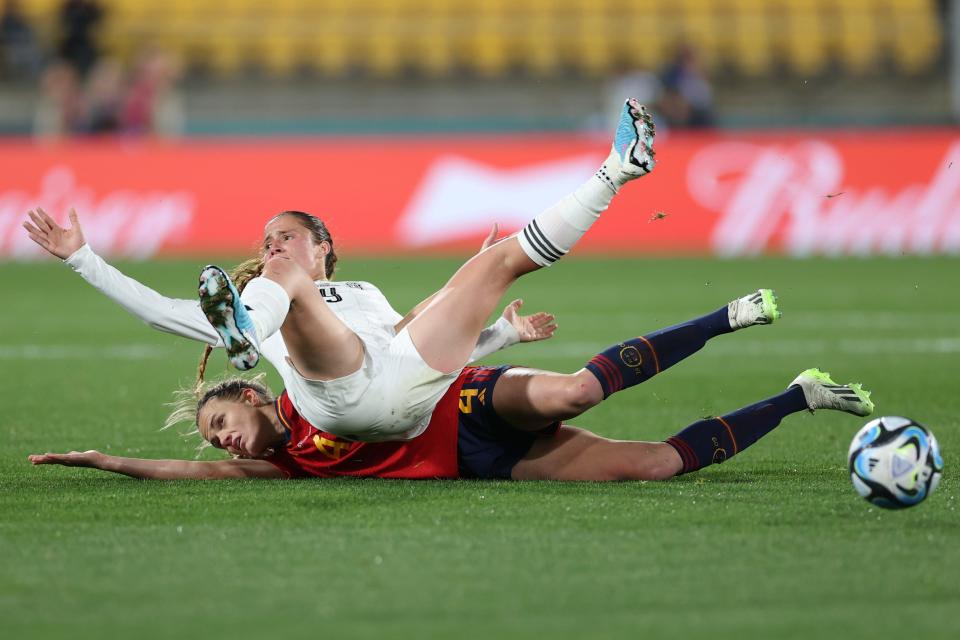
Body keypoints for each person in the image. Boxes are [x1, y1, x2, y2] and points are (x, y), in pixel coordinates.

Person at [24, 99, 657, 444]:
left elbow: (407, 329)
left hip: (406, 392)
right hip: (337, 399)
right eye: (266, 240)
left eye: (287, 237)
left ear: (323, 243)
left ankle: (619, 168)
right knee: (280, 290)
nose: (272, 246)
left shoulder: (361, 290)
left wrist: (498, 334)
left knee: (497, 262)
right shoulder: (267, 289)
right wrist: (83, 258)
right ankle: (238, 338)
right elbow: (160, 311)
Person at [28, 295, 875, 481]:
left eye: (219, 419)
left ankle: (727, 316)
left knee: (575, 394)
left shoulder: (309, 389)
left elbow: (404, 350)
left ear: (251, 397)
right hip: (477, 465)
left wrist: (496, 334)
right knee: (653, 467)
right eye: (214, 436)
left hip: (460, 400)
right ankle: (801, 396)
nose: (218, 439)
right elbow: (191, 473)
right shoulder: (279, 466)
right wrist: (102, 459)